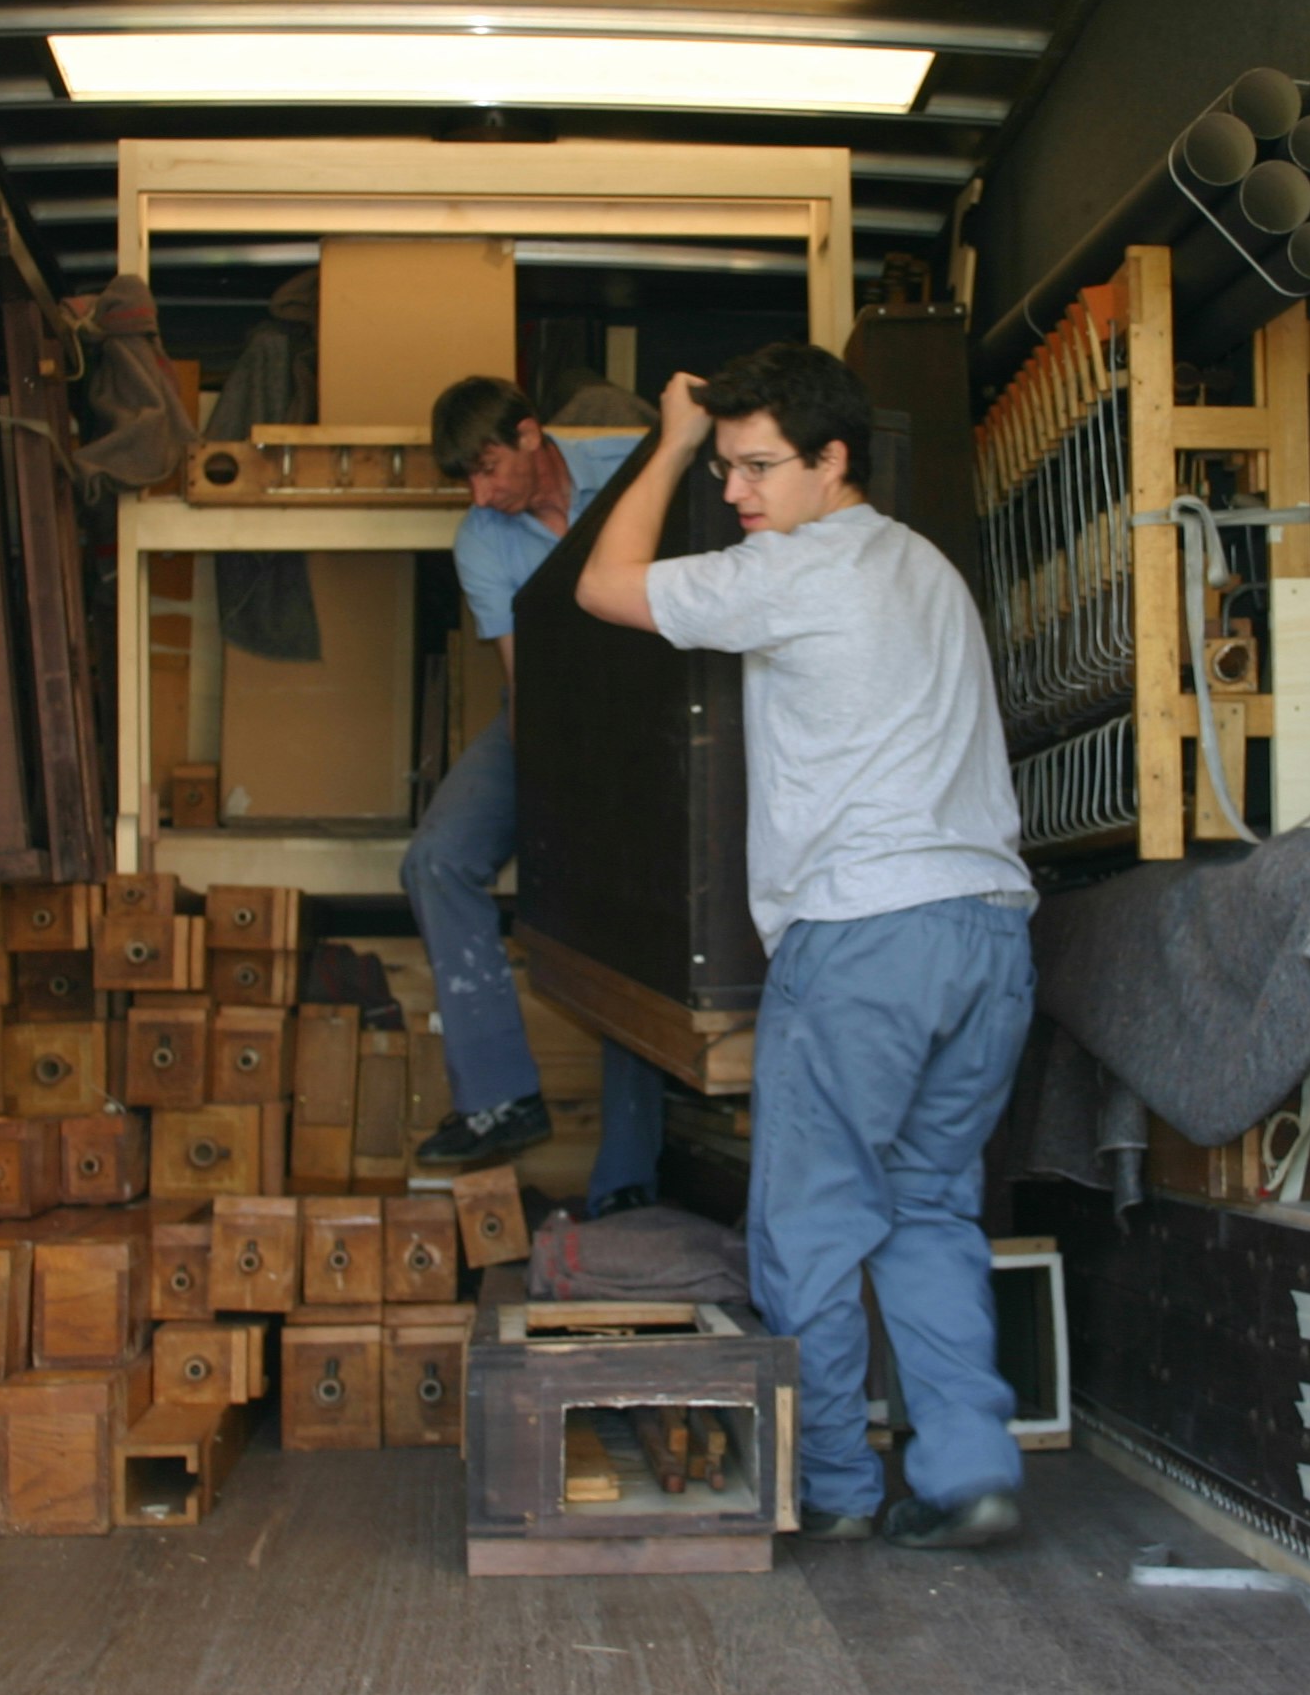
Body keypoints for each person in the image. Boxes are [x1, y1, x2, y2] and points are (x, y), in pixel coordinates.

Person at [572, 344, 1037, 1551]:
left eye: (759, 466)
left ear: (834, 460)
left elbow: (603, 586)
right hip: (989, 933)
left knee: (809, 1225)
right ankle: (971, 1473)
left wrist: (672, 437)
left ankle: (834, 1484)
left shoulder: (795, 567)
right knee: (930, 1209)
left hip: (867, 936)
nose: (736, 490)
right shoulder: (927, 567)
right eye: (722, 466)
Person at [403, 376, 668, 1215]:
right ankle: (500, 1097)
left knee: (626, 906)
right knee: (436, 859)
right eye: (467, 481)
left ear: (529, 434)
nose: (481, 496)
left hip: (654, 715)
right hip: (548, 714)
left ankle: (627, 1178)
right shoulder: (480, 540)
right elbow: (525, 684)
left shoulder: (637, 466)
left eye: (488, 469)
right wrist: (558, 802)